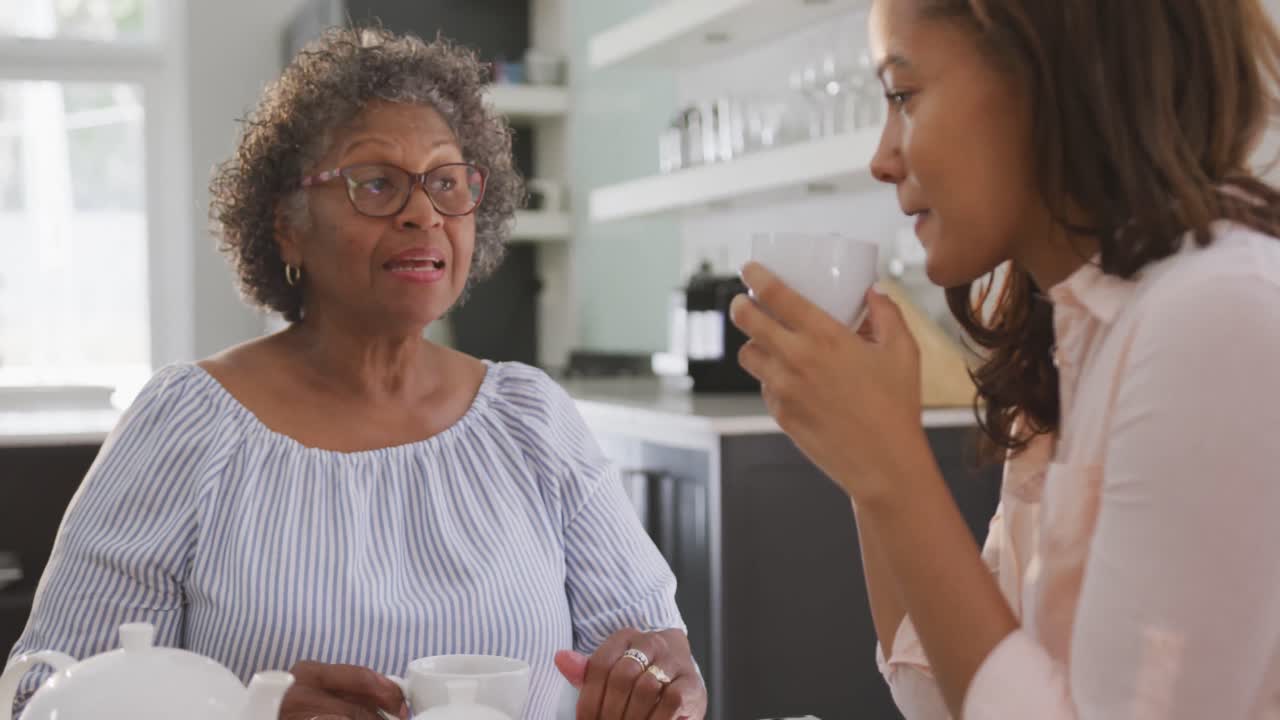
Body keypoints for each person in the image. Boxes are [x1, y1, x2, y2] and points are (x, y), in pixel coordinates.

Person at [8, 27, 706, 720]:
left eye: (446, 182)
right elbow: (43, 698)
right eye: (376, 183)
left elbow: (657, 655)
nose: (423, 213)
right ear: (287, 223)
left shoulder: (532, 418)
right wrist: (247, 715)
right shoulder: (185, 423)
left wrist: (666, 685)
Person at [730, 0, 1280, 717]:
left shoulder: (1217, 316)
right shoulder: (1074, 343)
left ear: (1054, 73)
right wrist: (868, 472)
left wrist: (892, 469)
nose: (881, 156)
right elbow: (938, 694)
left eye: (903, 96)